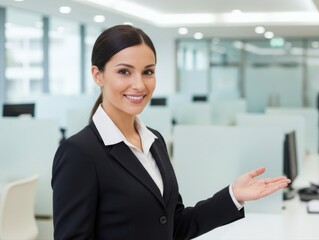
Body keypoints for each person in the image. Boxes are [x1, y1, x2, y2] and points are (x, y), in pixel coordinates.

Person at [51, 25, 291, 240]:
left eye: (148, 72)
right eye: (124, 72)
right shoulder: (79, 153)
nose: (139, 85)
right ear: (98, 75)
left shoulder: (154, 140)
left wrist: (233, 196)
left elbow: (173, 225)